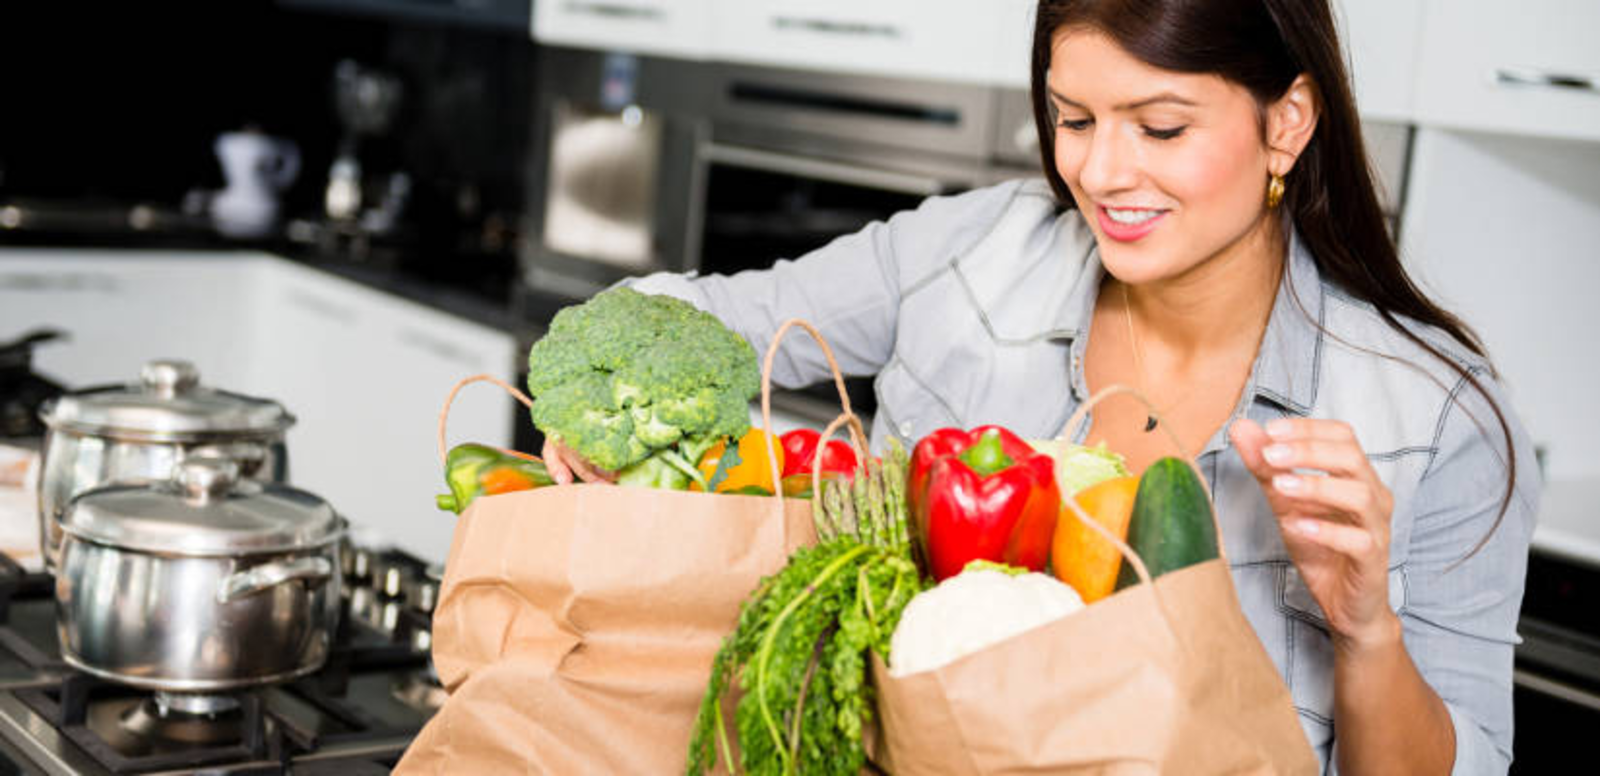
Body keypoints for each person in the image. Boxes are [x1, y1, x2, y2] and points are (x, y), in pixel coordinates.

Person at [541, 0, 1539, 772]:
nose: (1101, 172)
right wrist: (608, 399)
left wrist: (1366, 628)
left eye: (1159, 127)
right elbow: (713, 319)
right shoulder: (967, 254)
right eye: (1073, 118)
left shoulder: (1440, 419)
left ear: (1285, 122)